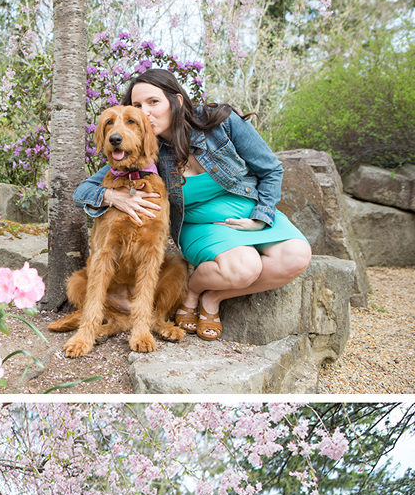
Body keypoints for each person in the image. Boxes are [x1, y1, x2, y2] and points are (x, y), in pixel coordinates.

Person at [73, 69, 312, 342]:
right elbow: (84, 191)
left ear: (176, 101)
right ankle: (194, 291)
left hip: (248, 214)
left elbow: (271, 169)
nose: (145, 113)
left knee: (297, 256)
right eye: (137, 106)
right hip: (200, 225)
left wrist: (261, 216)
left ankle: (214, 295)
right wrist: (114, 197)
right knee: (245, 267)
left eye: (153, 102)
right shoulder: (145, 149)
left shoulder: (220, 122)